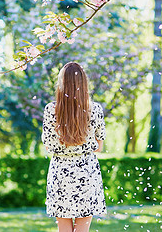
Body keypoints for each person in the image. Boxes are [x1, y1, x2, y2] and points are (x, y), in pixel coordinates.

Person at [42, 62, 107, 232]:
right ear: (83, 83)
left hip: (60, 173)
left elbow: (49, 146)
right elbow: (99, 147)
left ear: (61, 83)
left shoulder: (51, 110)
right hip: (87, 172)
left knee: (63, 229)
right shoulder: (96, 110)